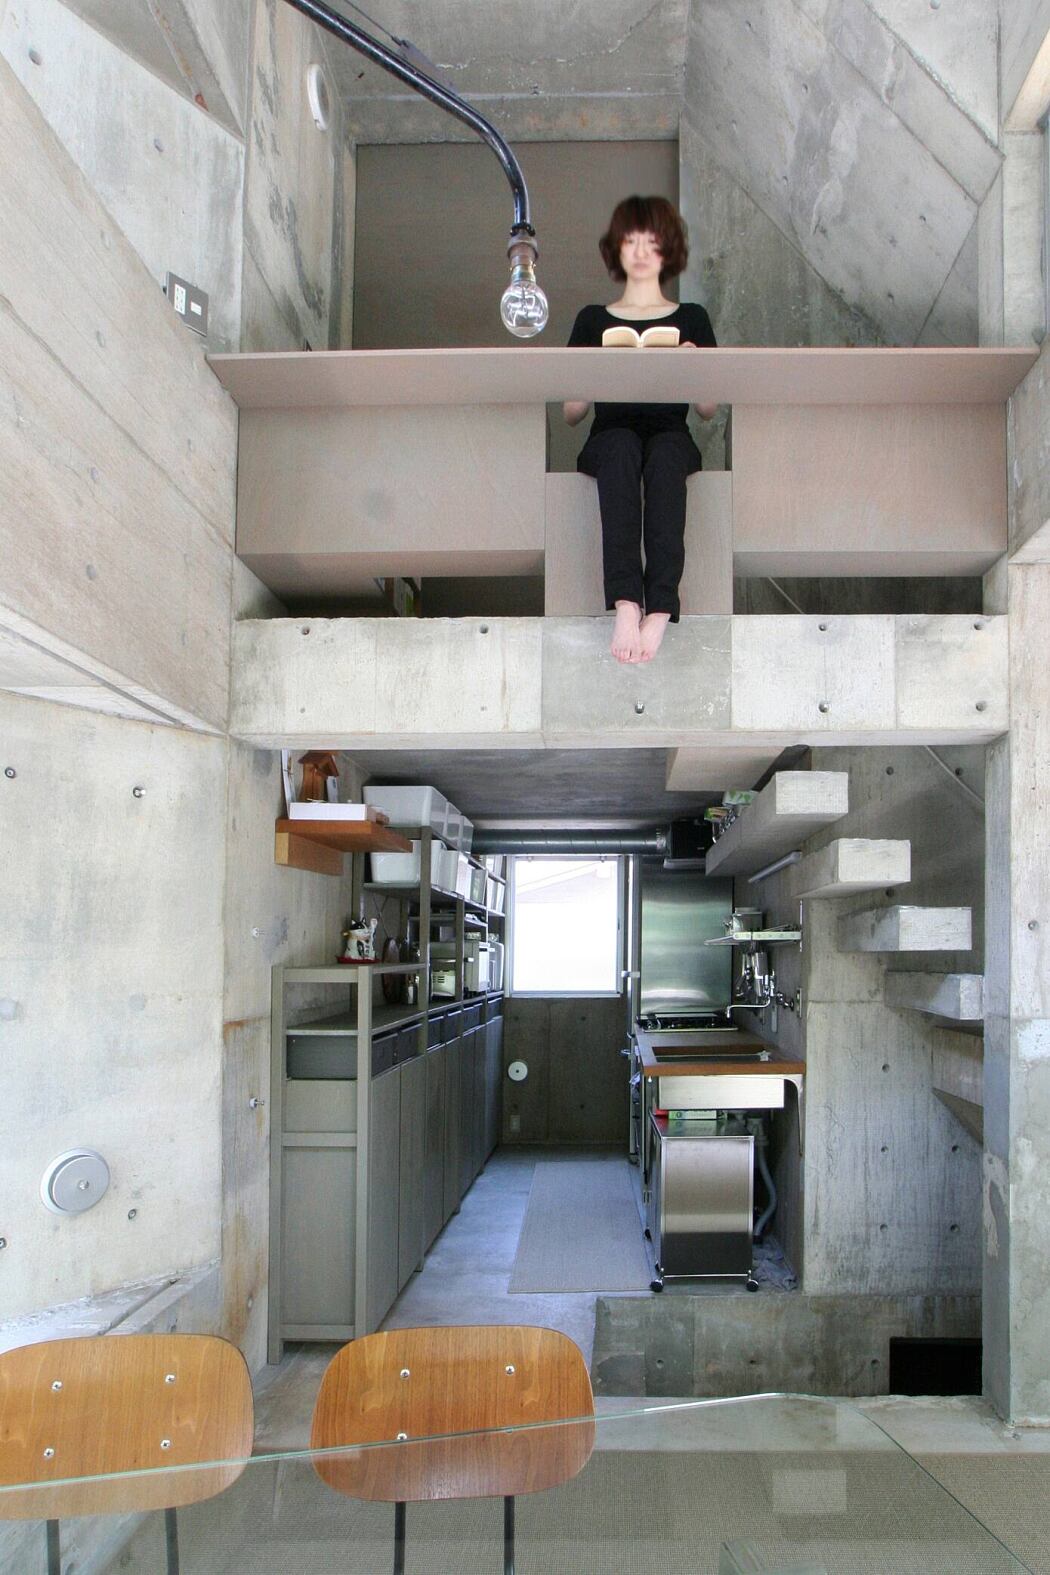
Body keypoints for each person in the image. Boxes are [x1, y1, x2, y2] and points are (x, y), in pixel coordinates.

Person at [564, 195, 718, 663]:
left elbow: (708, 409)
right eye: (631, 240)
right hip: (610, 437)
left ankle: (662, 607)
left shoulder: (692, 318)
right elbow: (572, 412)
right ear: (617, 248)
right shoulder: (592, 319)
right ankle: (627, 603)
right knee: (622, 446)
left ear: (668, 249)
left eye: (651, 241)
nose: (641, 251)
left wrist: (693, 364)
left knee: (666, 453)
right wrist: (595, 366)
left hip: (670, 435)